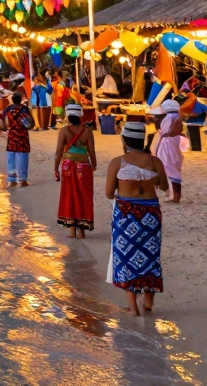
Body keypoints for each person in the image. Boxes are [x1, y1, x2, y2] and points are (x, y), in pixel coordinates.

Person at [105, 121, 169, 317]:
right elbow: (164, 186)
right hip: (150, 214)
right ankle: (148, 303)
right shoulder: (155, 162)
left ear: (124, 140)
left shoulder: (117, 162)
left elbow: (109, 193)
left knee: (126, 256)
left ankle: (133, 308)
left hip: (126, 214)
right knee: (150, 256)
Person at [54, 103, 97, 238]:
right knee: (84, 195)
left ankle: (72, 229)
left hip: (68, 166)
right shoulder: (87, 132)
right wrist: (94, 165)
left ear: (68, 116)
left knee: (69, 195)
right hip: (84, 166)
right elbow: (91, 151)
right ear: (80, 116)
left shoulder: (64, 131)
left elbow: (59, 151)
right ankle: (81, 231)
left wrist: (55, 168)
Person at [0, 92, 33, 187]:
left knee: (11, 155)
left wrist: (5, 130)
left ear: (12, 99)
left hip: (12, 134)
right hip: (22, 134)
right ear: (20, 99)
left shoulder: (7, 109)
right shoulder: (24, 109)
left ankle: (12, 179)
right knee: (23, 156)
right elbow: (30, 124)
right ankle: (22, 180)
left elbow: (2, 123)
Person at [155, 101, 185, 203]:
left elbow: (168, 132)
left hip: (169, 145)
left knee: (170, 168)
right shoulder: (176, 117)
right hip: (173, 144)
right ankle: (175, 196)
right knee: (173, 169)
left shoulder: (169, 118)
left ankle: (175, 196)